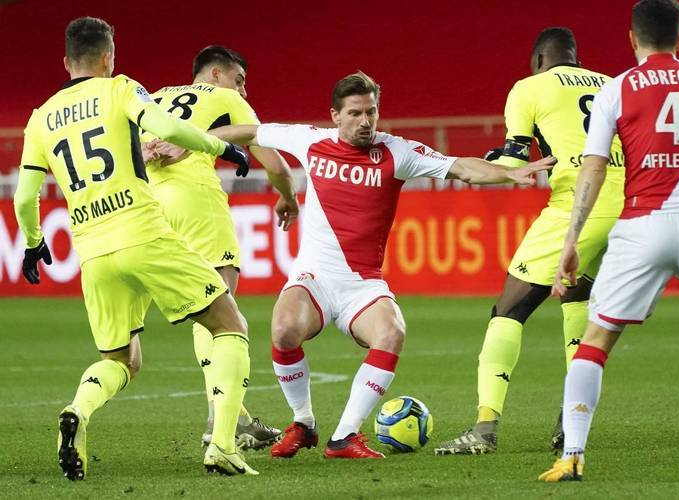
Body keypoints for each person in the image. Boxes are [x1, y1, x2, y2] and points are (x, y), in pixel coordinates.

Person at [206, 70, 556, 459]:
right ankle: (303, 423)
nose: (365, 121)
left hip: (362, 284)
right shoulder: (310, 140)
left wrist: (510, 173)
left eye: (371, 112)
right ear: (335, 115)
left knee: (391, 332)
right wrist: (191, 140)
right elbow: (250, 132)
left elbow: (462, 167)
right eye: (355, 113)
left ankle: (344, 436)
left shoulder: (396, 152)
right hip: (314, 278)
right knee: (284, 328)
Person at [14, 17, 259, 479]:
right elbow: (167, 126)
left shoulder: (39, 117)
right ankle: (223, 445)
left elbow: (25, 197)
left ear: (66, 62)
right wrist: (222, 148)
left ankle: (77, 410)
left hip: (92, 251)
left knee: (121, 360)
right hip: (144, 233)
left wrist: (32, 242)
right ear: (108, 57)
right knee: (230, 324)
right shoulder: (121, 89)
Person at [539, 0, 679, 482]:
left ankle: (572, 455)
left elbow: (593, 167)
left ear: (633, 38)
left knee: (596, 341)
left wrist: (572, 238)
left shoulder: (616, 89)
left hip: (642, 224)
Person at [435, 27, 625, 455]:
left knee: (509, 309)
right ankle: (571, 416)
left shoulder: (529, 87)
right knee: (576, 299)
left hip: (577, 205)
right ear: (576, 57)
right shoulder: (611, 84)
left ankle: (484, 428)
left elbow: (515, 158)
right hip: (628, 209)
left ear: (539, 60)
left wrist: (486, 164)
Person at [140, 45, 298, 451]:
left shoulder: (152, 98)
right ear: (214, 75)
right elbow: (274, 163)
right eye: (238, 80)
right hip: (196, 203)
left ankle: (237, 417)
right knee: (219, 311)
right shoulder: (223, 98)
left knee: (203, 310)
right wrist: (289, 197)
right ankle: (220, 419)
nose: (242, 91)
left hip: (148, 207)